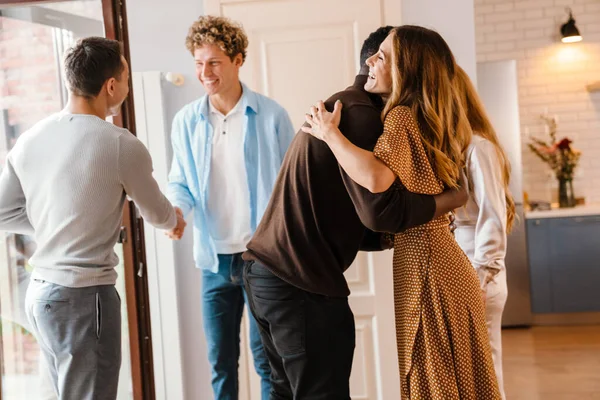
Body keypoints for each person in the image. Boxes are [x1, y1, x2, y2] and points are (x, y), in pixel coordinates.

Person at [242, 26, 469, 399]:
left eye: (383, 56)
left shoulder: (349, 110)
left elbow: (355, 215)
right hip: (297, 280)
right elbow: (381, 211)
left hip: (268, 272)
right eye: (376, 54)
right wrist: (448, 200)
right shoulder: (361, 117)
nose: (371, 63)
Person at [304, 25, 501, 399]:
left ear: (406, 70)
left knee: (434, 378)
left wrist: (330, 134)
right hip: (445, 260)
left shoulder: (400, 118)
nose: (370, 61)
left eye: (383, 56)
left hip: (426, 263)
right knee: (462, 379)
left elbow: (377, 179)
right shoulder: (434, 117)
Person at [0, 37, 184, 400]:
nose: (127, 88)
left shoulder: (31, 138)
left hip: (42, 294)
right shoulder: (119, 143)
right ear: (111, 85)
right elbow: (155, 211)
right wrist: (173, 221)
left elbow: (3, 212)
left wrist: (59, 225)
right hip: (84, 298)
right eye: (126, 79)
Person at [165, 15, 294, 400]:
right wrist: (176, 211)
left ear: (238, 59)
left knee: (267, 363)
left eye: (214, 62)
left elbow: (292, 186)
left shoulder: (272, 116)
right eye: (199, 63)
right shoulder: (186, 121)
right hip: (213, 260)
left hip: (264, 259)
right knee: (221, 365)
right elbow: (180, 182)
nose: (205, 72)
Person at [453, 66, 515, 400]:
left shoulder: (479, 148)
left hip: (481, 273)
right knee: (472, 372)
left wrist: (481, 278)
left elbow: (493, 216)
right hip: (465, 268)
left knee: (487, 371)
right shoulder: (461, 147)